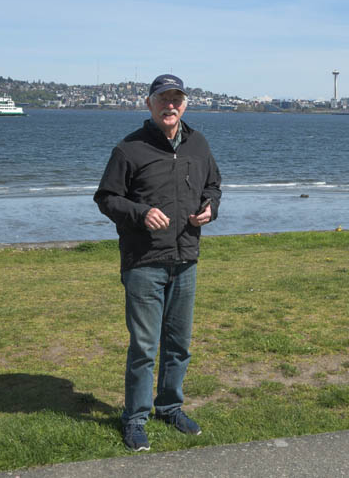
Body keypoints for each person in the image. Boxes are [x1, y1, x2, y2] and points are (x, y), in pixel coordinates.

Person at [93, 74, 222, 452]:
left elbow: (213, 184)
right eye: (162, 99)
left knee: (179, 344)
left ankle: (170, 407)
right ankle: (135, 418)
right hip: (144, 261)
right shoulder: (129, 149)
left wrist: (210, 209)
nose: (170, 105)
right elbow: (106, 198)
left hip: (186, 258)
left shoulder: (198, 144)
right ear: (148, 104)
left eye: (176, 99)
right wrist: (141, 212)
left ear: (185, 105)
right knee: (145, 347)